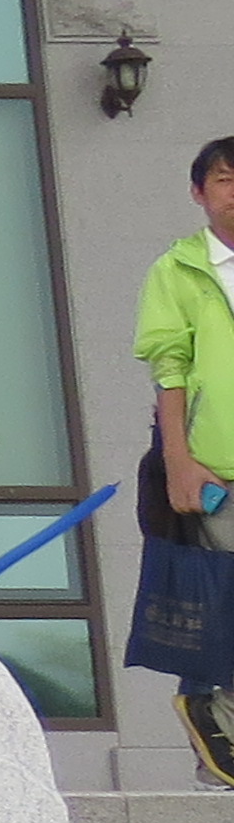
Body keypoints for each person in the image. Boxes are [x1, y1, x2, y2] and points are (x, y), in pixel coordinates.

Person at [136, 135, 234, 784]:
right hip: (217, 466)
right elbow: (169, 370)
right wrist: (179, 460)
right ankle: (214, 727)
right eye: (225, 179)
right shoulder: (179, 269)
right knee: (219, 597)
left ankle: (211, 720)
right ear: (199, 192)